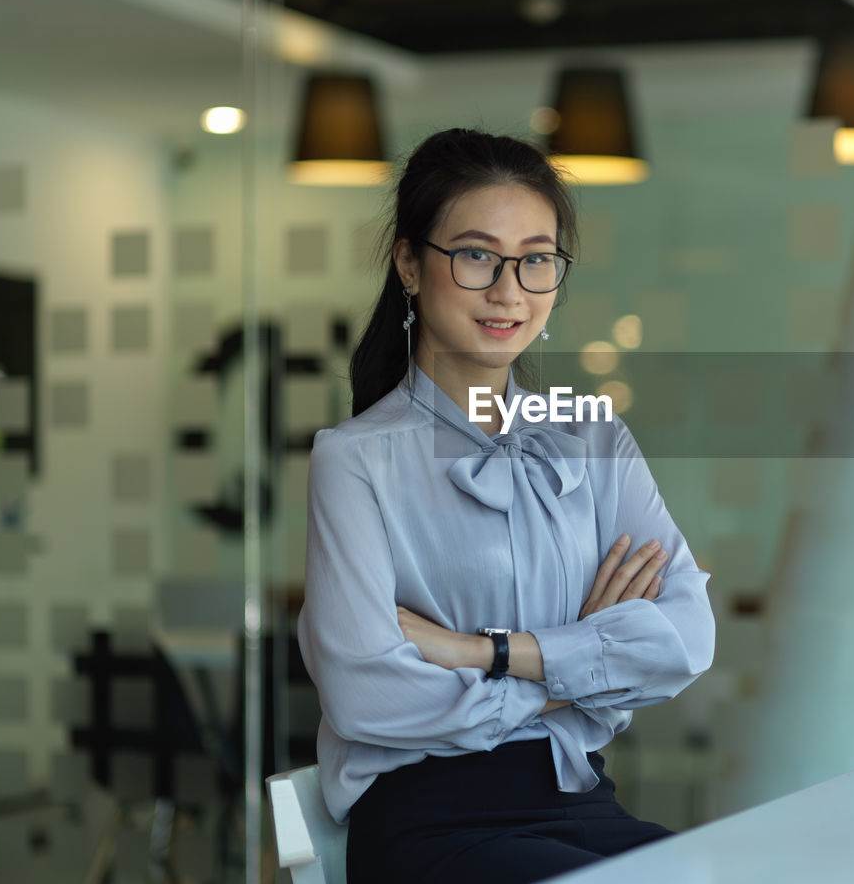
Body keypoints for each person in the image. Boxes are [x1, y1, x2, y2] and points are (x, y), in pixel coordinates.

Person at [297, 128, 717, 884]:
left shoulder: (592, 435)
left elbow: (684, 639)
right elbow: (366, 698)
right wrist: (577, 665)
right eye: (477, 254)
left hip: (581, 800)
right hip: (429, 826)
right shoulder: (353, 458)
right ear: (409, 264)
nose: (509, 289)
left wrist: (479, 649)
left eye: (536, 259)